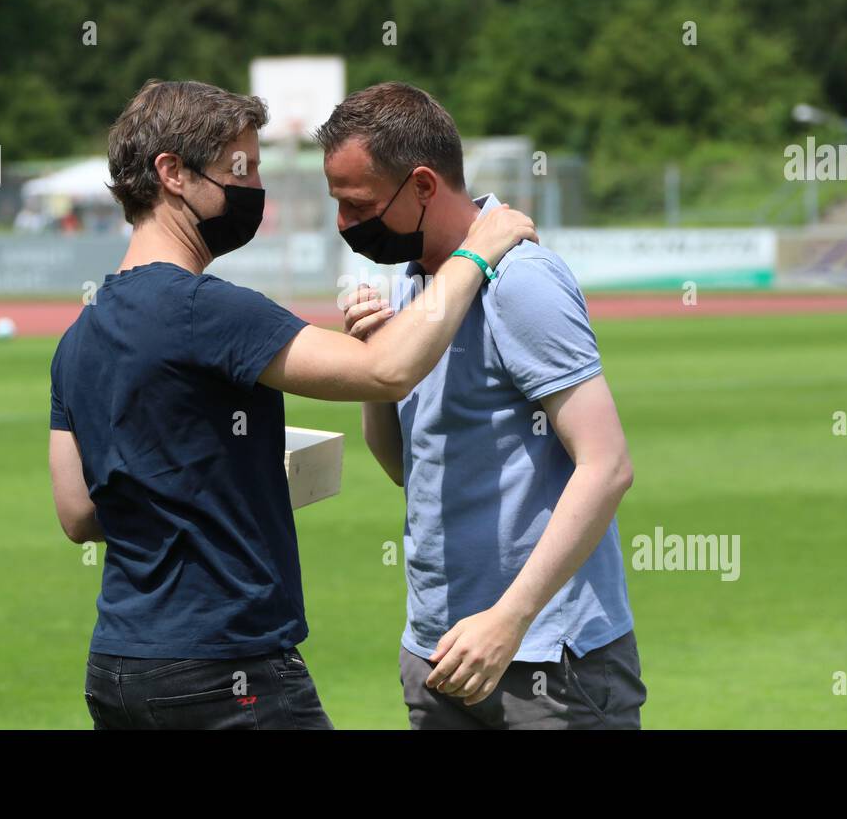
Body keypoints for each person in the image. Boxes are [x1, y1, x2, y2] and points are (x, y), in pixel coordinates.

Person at [48, 79, 536, 730]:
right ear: (172, 173)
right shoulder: (208, 309)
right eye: (238, 170)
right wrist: (478, 251)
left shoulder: (78, 337)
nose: (253, 190)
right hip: (228, 670)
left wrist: (221, 486)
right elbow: (387, 370)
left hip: (118, 668)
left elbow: (80, 513)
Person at [316, 83, 643, 730]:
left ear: (423, 187)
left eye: (357, 206)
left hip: (548, 662)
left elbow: (606, 466)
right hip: (440, 655)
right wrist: (376, 363)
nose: (345, 226)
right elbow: (406, 468)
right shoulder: (413, 285)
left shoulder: (521, 280)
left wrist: (510, 619)